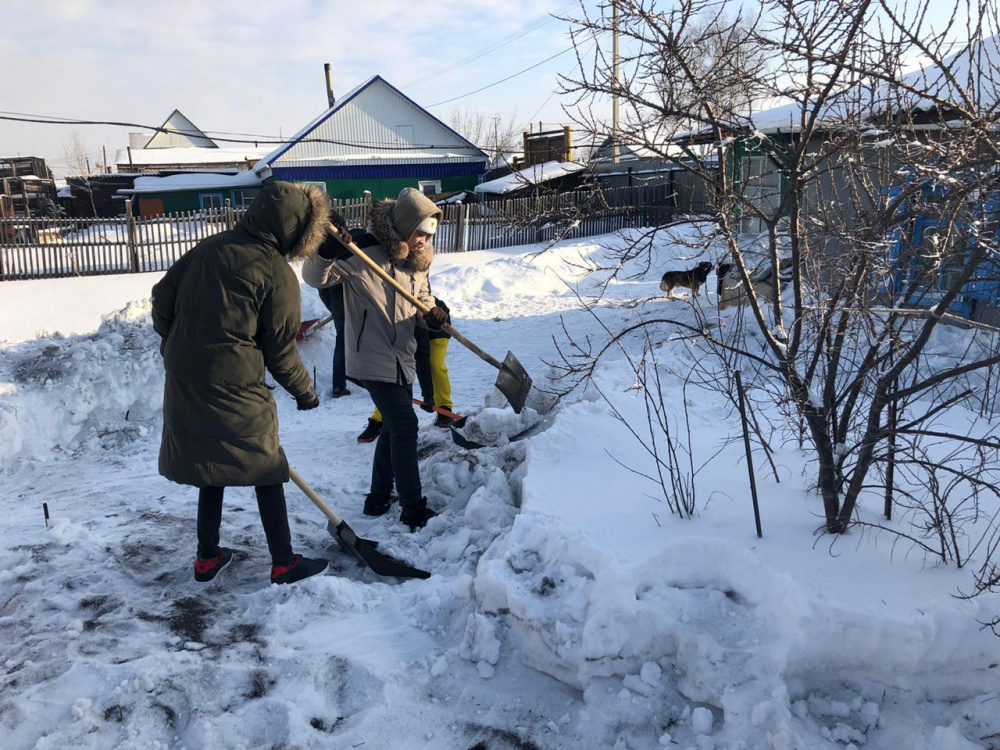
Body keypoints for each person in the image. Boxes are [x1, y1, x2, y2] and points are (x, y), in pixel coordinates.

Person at [151, 181, 332, 585]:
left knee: (210, 461)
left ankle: (206, 558)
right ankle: (284, 563)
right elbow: (280, 350)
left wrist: (179, 343)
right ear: (298, 230)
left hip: (186, 377)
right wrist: (305, 392)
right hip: (233, 383)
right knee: (265, 464)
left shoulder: (208, 248)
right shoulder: (275, 271)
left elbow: (161, 299)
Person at [303, 187, 449, 531]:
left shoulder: (418, 260)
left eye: (429, 236)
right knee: (406, 427)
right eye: (420, 233)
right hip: (370, 356)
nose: (424, 241)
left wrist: (432, 313)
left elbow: (421, 296)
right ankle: (413, 507)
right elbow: (313, 279)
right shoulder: (362, 250)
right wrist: (326, 252)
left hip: (403, 356)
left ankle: (378, 497)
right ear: (404, 224)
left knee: (393, 428)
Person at [318, 284, 351, 398]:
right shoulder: (352, 266)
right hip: (356, 311)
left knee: (341, 346)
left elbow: (322, 290)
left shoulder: (330, 267)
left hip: (340, 312)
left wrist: (335, 309)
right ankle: (373, 381)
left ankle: (338, 386)